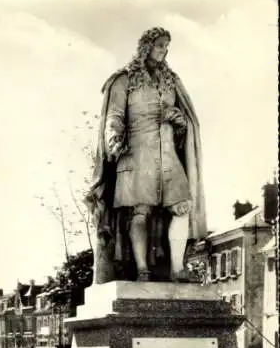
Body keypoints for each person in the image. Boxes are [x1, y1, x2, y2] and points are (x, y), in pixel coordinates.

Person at [86, 27, 207, 283]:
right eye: (160, 45)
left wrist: (179, 119)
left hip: (168, 154)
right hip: (136, 153)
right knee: (139, 212)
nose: (165, 50)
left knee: (182, 206)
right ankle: (142, 270)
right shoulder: (124, 79)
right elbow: (114, 116)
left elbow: (185, 120)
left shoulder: (171, 79)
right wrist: (114, 140)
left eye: (167, 46)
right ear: (147, 46)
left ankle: (177, 269)